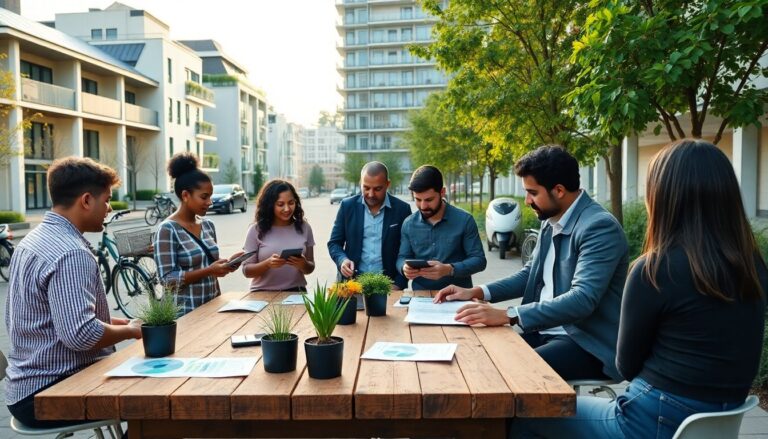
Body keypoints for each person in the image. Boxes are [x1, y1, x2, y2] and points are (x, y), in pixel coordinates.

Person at [513, 140, 767, 438]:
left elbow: (627, 365)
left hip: (649, 417)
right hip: (720, 416)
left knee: (524, 411)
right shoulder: (754, 266)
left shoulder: (655, 270)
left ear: (664, 196)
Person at [435, 145, 628, 381]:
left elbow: (583, 298)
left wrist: (509, 315)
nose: (527, 201)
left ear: (558, 190)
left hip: (584, 342)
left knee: (507, 374)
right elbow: (530, 275)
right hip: (545, 330)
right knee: (476, 355)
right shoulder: (551, 219)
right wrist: (475, 292)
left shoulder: (598, 227)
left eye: (533, 193)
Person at [5, 157, 142, 428]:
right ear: (87, 200)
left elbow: (56, 318)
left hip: (24, 388)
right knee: (162, 404)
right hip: (50, 391)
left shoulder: (33, 239)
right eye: (106, 200)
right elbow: (81, 335)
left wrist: (122, 323)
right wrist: (133, 331)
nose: (109, 207)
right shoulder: (71, 252)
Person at [154, 152, 242, 315]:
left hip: (211, 309)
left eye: (211, 196)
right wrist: (209, 270)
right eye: (204, 197)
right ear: (185, 195)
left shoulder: (208, 225)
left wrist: (227, 264)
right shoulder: (167, 229)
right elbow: (167, 280)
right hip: (183, 315)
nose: (210, 202)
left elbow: (210, 267)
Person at [397, 165, 486, 291]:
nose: (423, 206)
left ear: (442, 192)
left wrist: (449, 269)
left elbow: (479, 260)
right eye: (418, 199)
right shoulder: (408, 224)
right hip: (421, 296)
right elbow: (402, 257)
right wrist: (403, 268)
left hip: (458, 295)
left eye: (429, 200)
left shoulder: (465, 220)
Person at [328, 161, 412, 289]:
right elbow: (334, 243)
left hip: (389, 286)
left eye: (377, 189)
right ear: (360, 183)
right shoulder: (347, 206)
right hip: (352, 285)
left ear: (387, 184)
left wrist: (399, 284)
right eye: (366, 188)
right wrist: (342, 260)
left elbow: (408, 251)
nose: (371, 194)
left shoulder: (402, 209)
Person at [241, 179, 315, 292]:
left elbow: (310, 267)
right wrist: (267, 264)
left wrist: (303, 264)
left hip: (296, 292)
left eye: (291, 203)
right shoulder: (255, 230)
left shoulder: (305, 228)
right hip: (262, 293)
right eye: (280, 204)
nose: (287, 209)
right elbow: (246, 271)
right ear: (270, 205)